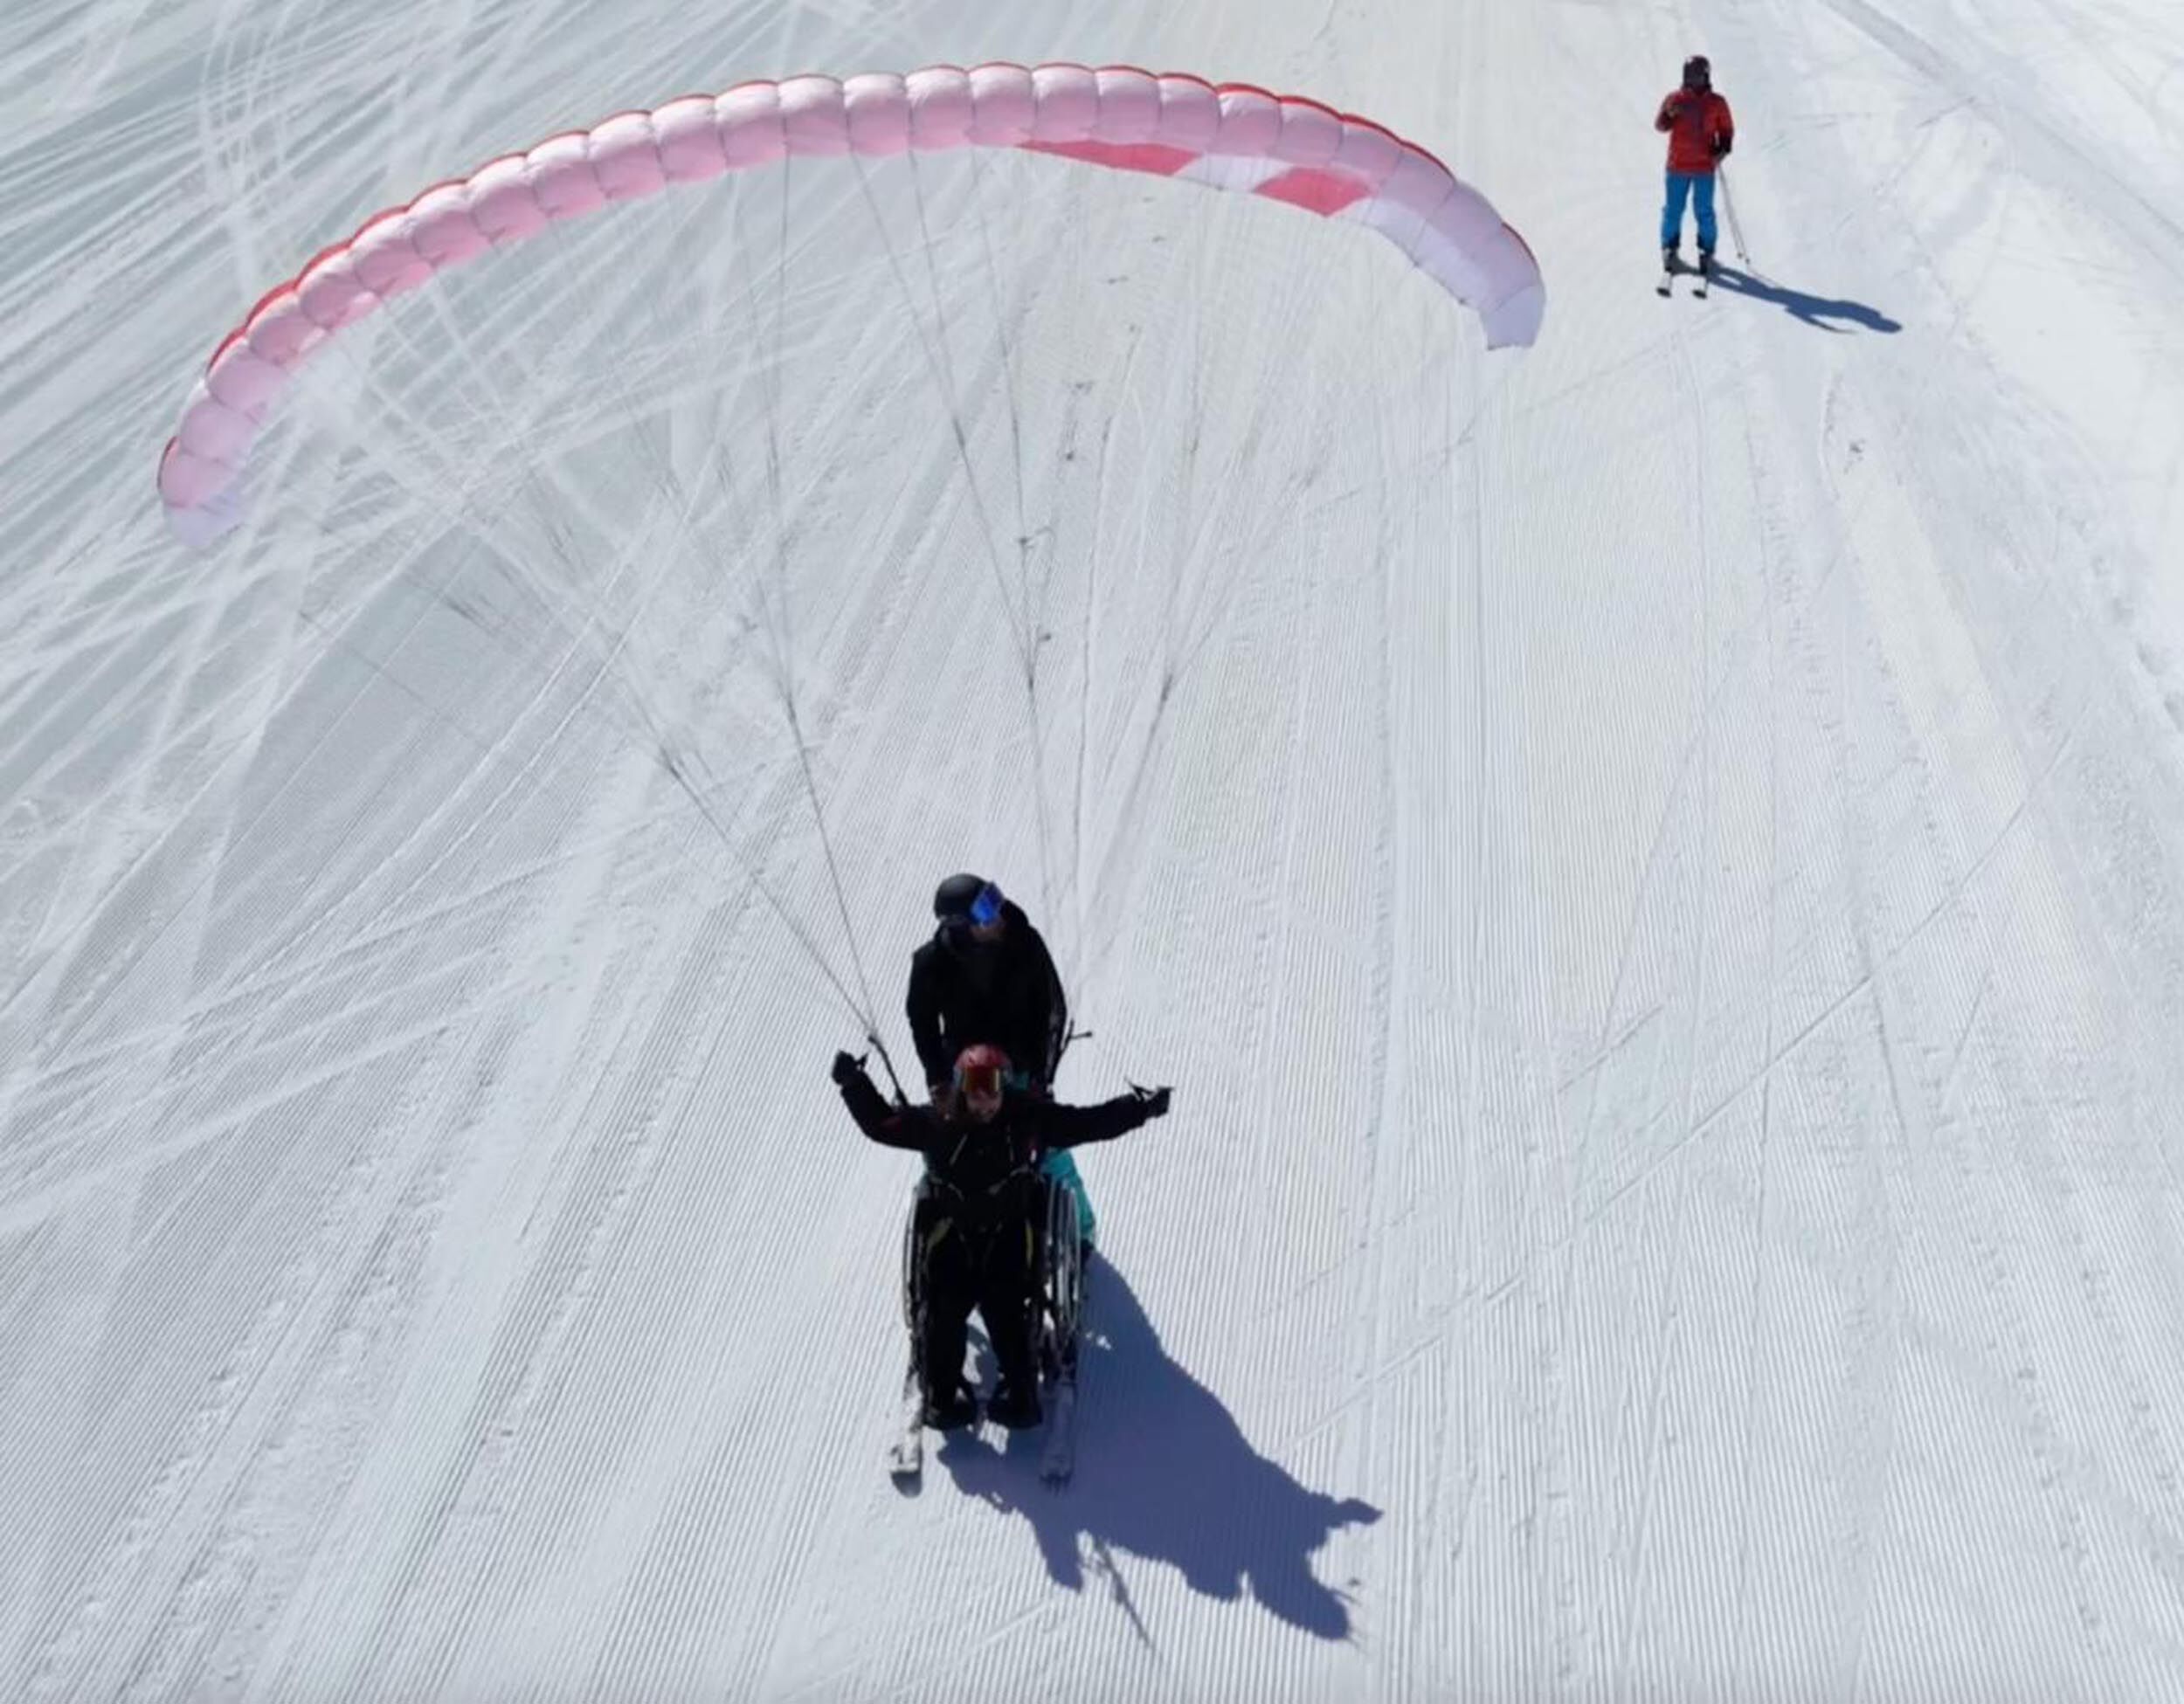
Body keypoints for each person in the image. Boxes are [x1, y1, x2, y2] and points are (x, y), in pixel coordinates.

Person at [833, 1042, 1170, 1429]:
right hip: (953, 1234)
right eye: (975, 1090)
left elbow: (1088, 1123)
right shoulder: (938, 1123)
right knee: (944, 1309)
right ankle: (942, 1400)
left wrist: (1139, 1109)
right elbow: (883, 1124)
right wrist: (853, 1084)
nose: (984, 1101)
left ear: (1003, 1086)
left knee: (1005, 1308)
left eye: (991, 1088)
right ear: (961, 1088)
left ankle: (1022, 1398)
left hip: (1008, 1233)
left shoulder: (1027, 1118)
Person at [906, 873, 1098, 1251]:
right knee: (947, 1153)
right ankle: (947, 1235)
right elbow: (922, 1024)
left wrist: (1040, 1076)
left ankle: (1082, 1232)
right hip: (966, 1072)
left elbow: (1050, 1008)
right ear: (958, 925)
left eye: (993, 899)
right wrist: (938, 1079)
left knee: (1049, 1150)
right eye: (984, 909)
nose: (996, 914)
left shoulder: (1025, 942)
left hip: (1019, 1068)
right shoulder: (930, 963)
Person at [1655, 54, 1735, 274]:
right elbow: (1660, 125)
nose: (1692, 80)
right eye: (1688, 76)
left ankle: (1707, 248)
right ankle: (1669, 246)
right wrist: (1668, 115)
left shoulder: (1716, 102)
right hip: (1678, 166)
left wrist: (1723, 147)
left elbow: (1727, 129)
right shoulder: (1675, 99)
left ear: (1705, 76)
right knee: (1673, 210)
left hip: (1703, 167)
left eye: (1696, 76)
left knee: (1704, 211)